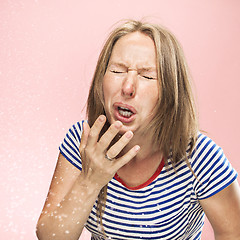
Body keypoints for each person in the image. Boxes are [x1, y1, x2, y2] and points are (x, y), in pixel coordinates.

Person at [36, 20, 240, 240]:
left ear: (170, 91)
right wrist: (90, 180)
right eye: (117, 70)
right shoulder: (82, 140)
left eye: (147, 76)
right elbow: (51, 236)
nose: (127, 87)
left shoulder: (200, 157)